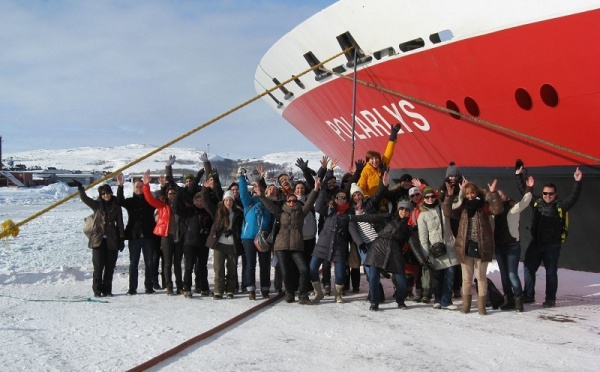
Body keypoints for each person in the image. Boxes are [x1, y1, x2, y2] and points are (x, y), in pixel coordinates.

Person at [516, 165, 582, 308]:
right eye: (545, 193)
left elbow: (573, 198)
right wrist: (519, 176)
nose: (547, 196)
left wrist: (577, 182)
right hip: (537, 243)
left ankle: (550, 299)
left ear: (555, 195)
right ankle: (528, 295)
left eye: (550, 194)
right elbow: (525, 194)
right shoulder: (537, 202)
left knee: (551, 272)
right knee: (528, 267)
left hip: (552, 245)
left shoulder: (560, 206)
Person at [443, 179, 503, 315]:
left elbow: (498, 209)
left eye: (472, 193)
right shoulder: (462, 208)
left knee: (481, 277)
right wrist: (449, 196)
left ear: (476, 192)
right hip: (466, 247)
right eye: (467, 194)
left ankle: (481, 307)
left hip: (482, 246)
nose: (470, 196)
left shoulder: (484, 206)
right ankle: (466, 306)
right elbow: (447, 212)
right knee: (466, 278)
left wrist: (493, 193)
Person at [259, 177, 321, 304]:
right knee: (285, 271)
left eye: (294, 201)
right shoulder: (280, 212)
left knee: (304, 269)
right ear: (286, 202)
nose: (292, 203)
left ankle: (303, 295)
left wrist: (315, 189)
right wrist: (261, 196)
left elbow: (310, 201)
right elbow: (269, 206)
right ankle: (290, 293)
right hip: (281, 246)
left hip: (296, 246)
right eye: (290, 201)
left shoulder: (301, 212)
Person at [351, 200, 415, 311]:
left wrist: (423, 262)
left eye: (407, 210)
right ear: (398, 209)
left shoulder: (408, 230)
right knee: (373, 278)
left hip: (395, 253)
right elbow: (369, 218)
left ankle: (400, 300)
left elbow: (414, 247)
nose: (403, 211)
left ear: (410, 212)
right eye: (401, 209)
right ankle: (374, 302)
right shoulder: (389, 217)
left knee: (401, 280)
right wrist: (351, 218)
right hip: (377, 249)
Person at [310, 187, 364, 304]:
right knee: (312, 268)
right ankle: (318, 292)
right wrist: (322, 189)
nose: (342, 200)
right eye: (340, 197)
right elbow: (317, 207)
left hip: (339, 246)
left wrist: (360, 243)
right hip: (323, 244)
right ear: (335, 199)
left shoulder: (349, 213)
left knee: (340, 274)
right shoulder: (330, 210)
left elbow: (352, 229)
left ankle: (338, 295)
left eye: (344, 198)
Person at [74, 180, 124, 297]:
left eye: (107, 193)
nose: (105, 195)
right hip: (98, 240)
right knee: (98, 267)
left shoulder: (116, 206)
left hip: (112, 240)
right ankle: (97, 290)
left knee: (110, 267)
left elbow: (120, 223)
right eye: (103, 194)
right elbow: (85, 199)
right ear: (100, 195)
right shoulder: (96, 205)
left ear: (111, 193)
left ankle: (107, 290)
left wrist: (121, 238)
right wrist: (81, 188)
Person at [417, 186, 460, 310]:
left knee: (450, 275)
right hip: (435, 249)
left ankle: (446, 300)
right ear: (423, 199)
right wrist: (425, 253)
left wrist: (460, 191)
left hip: (449, 245)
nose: (430, 199)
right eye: (427, 197)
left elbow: (457, 205)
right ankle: (437, 299)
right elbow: (423, 236)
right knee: (437, 277)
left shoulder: (443, 208)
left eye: (432, 196)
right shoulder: (422, 216)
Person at [142, 169, 183, 296]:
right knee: (167, 263)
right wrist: (145, 185)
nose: (172, 195)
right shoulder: (162, 205)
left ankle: (180, 286)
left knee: (177, 263)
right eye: (170, 193)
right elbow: (149, 199)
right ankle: (169, 286)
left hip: (178, 236)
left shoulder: (181, 205)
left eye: (174, 193)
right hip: (166, 236)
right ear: (167, 194)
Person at [494, 179, 532, 312]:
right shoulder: (494, 211)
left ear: (505, 196)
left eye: (501, 195)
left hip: (512, 246)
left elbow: (525, 201)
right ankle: (508, 299)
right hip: (499, 246)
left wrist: (529, 187)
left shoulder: (513, 208)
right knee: (504, 275)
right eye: (496, 196)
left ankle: (518, 300)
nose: (499, 198)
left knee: (512, 274)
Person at [116, 174, 157, 295]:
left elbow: (156, 201)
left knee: (149, 262)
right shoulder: (130, 201)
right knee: (133, 263)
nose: (139, 189)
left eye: (141, 186)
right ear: (133, 188)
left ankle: (149, 286)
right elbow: (120, 201)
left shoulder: (149, 201)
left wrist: (147, 186)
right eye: (137, 187)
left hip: (148, 236)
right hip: (134, 237)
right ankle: (132, 288)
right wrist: (120, 186)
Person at [238, 167, 273, 300]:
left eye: (259, 188)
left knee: (265, 264)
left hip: (263, 237)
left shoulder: (268, 202)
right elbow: (242, 193)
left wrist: (260, 181)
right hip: (249, 237)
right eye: (255, 188)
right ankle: (251, 289)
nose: (257, 190)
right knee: (250, 264)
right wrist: (241, 178)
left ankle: (265, 288)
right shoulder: (249, 202)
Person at [172, 187, 213, 298]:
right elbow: (175, 209)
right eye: (197, 200)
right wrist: (178, 195)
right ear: (194, 201)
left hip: (203, 243)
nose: (200, 202)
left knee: (202, 267)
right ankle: (187, 288)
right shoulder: (189, 211)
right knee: (189, 266)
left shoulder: (207, 212)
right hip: (190, 242)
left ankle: (204, 288)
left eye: (201, 200)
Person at [203, 188, 244, 299]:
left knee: (232, 268)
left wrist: (233, 232)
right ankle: (218, 291)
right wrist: (205, 189)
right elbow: (205, 203)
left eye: (230, 200)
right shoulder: (218, 212)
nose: (228, 202)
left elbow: (240, 227)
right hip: (219, 244)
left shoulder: (238, 213)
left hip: (232, 244)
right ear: (223, 201)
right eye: (226, 200)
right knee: (219, 268)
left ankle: (230, 290)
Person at [358, 123, 401, 197]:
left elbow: (388, 154)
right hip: (372, 202)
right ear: (367, 160)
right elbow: (361, 186)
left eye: (376, 158)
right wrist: (366, 198)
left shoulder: (382, 166)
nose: (375, 160)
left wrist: (392, 137)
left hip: (383, 200)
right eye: (372, 159)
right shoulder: (365, 171)